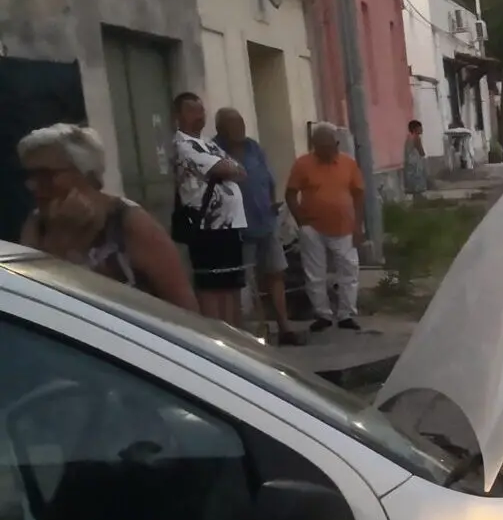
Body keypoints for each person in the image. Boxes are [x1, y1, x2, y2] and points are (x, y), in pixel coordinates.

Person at [16, 123, 195, 310]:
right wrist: (59, 241)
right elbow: (31, 302)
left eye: (46, 175)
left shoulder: (130, 224)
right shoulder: (38, 224)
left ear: (86, 174)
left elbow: (186, 310)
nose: (33, 186)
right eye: (30, 175)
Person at [215, 107, 300, 345]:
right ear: (221, 129)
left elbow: (268, 179)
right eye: (234, 125)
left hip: (265, 223)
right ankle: (249, 333)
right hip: (237, 229)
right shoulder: (215, 151)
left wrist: (272, 202)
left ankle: (285, 328)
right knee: (243, 282)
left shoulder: (254, 148)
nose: (240, 129)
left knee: (275, 274)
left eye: (241, 123)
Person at [169, 91, 249, 325]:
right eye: (191, 111)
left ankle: (235, 336)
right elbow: (223, 169)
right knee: (212, 286)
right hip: (206, 226)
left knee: (232, 284)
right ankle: (216, 335)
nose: (198, 116)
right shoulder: (182, 144)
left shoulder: (209, 145)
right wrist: (227, 169)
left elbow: (241, 171)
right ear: (178, 115)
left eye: (201, 110)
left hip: (230, 223)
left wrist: (228, 168)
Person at [286, 123, 366, 332]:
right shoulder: (303, 164)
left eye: (330, 147)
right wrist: (300, 219)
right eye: (321, 148)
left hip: (344, 227)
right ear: (314, 146)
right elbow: (290, 193)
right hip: (312, 227)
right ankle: (322, 314)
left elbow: (358, 194)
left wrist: (358, 225)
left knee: (349, 270)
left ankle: (346, 314)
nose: (327, 152)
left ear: (337, 144)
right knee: (315, 273)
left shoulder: (348, 164)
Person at [402, 118, 430, 195]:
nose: (422, 129)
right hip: (415, 164)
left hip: (409, 163)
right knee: (418, 185)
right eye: (420, 127)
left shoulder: (408, 137)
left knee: (412, 185)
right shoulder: (416, 138)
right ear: (415, 129)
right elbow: (421, 152)